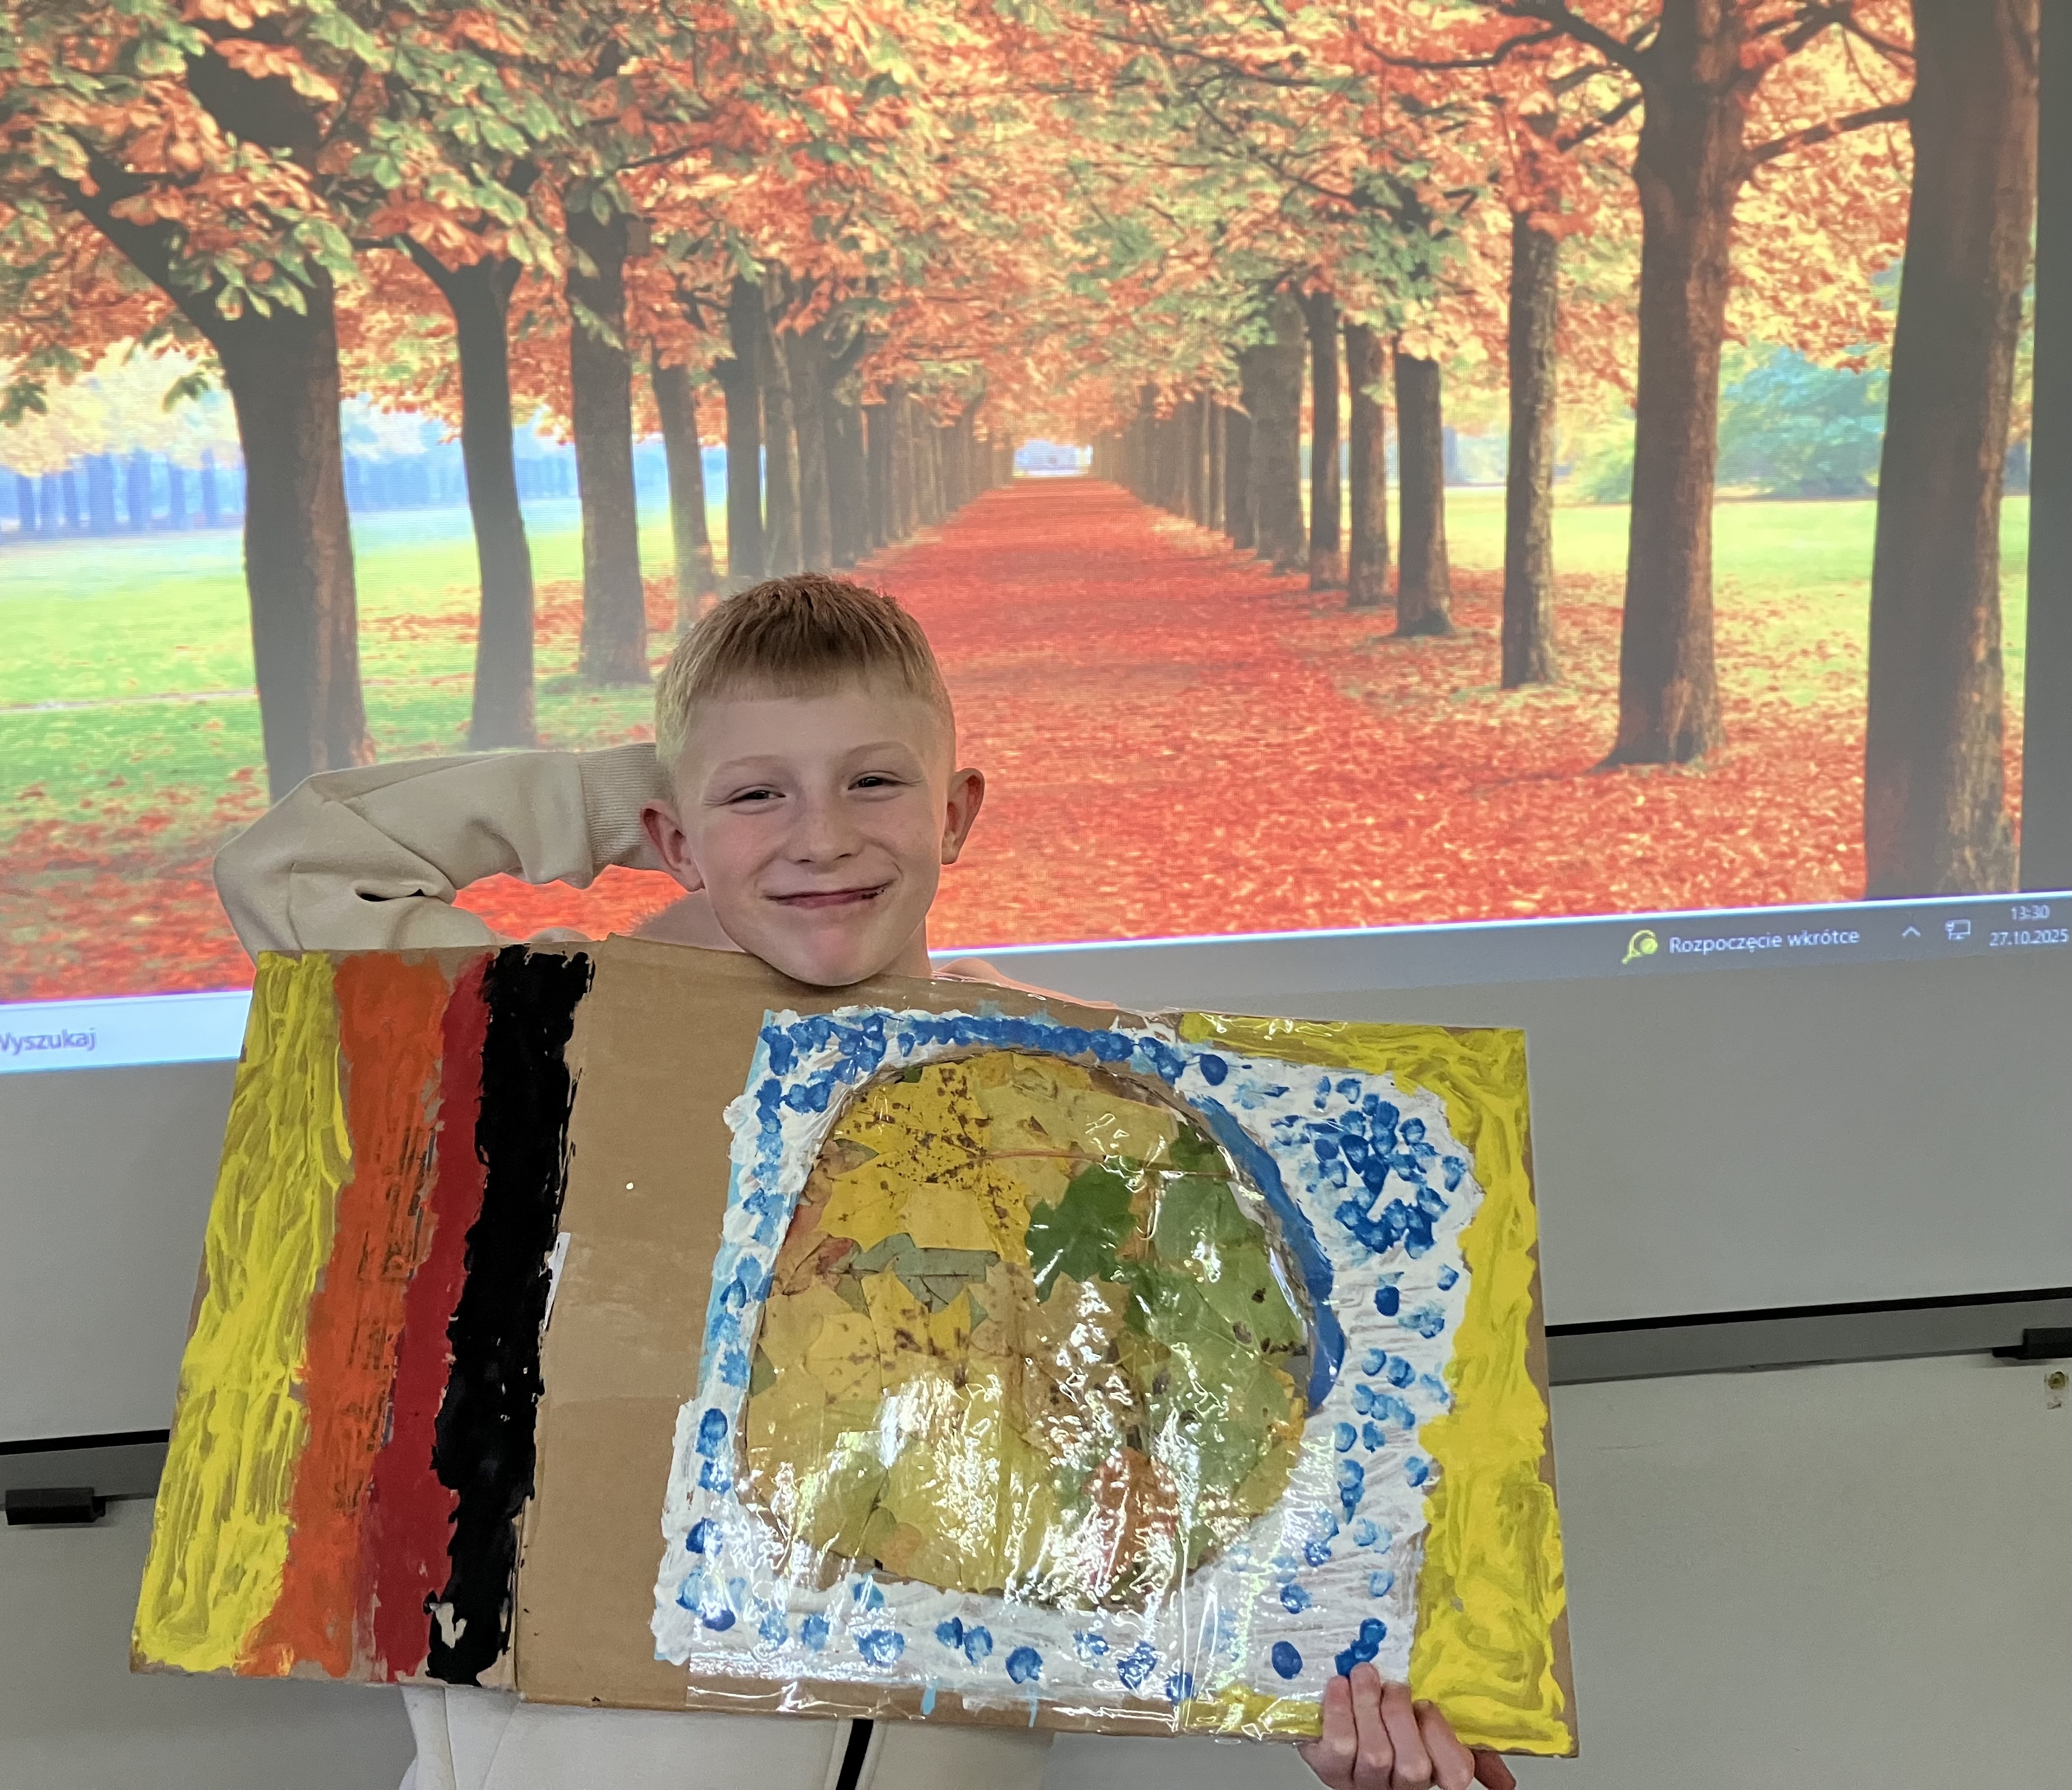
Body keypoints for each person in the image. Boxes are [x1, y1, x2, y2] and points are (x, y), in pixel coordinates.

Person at [214, 574, 1514, 1790]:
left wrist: (1345, 1713)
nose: (822, 838)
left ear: (955, 813)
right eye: (759, 796)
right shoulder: (561, 1040)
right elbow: (296, 866)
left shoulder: (1083, 1112)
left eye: (874, 782)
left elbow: (1197, 1445)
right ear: (672, 833)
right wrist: (638, 791)